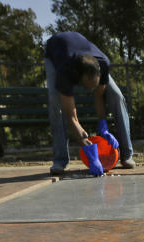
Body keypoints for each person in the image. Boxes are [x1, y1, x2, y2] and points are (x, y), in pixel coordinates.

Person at [44, 32, 134, 176]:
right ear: (78, 78)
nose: (91, 90)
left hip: (85, 52)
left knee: (117, 95)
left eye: (94, 85)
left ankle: (127, 154)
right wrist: (81, 136)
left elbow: (99, 94)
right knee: (55, 102)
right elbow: (70, 113)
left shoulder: (103, 64)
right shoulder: (65, 71)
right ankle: (60, 160)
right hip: (55, 50)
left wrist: (103, 125)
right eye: (88, 86)